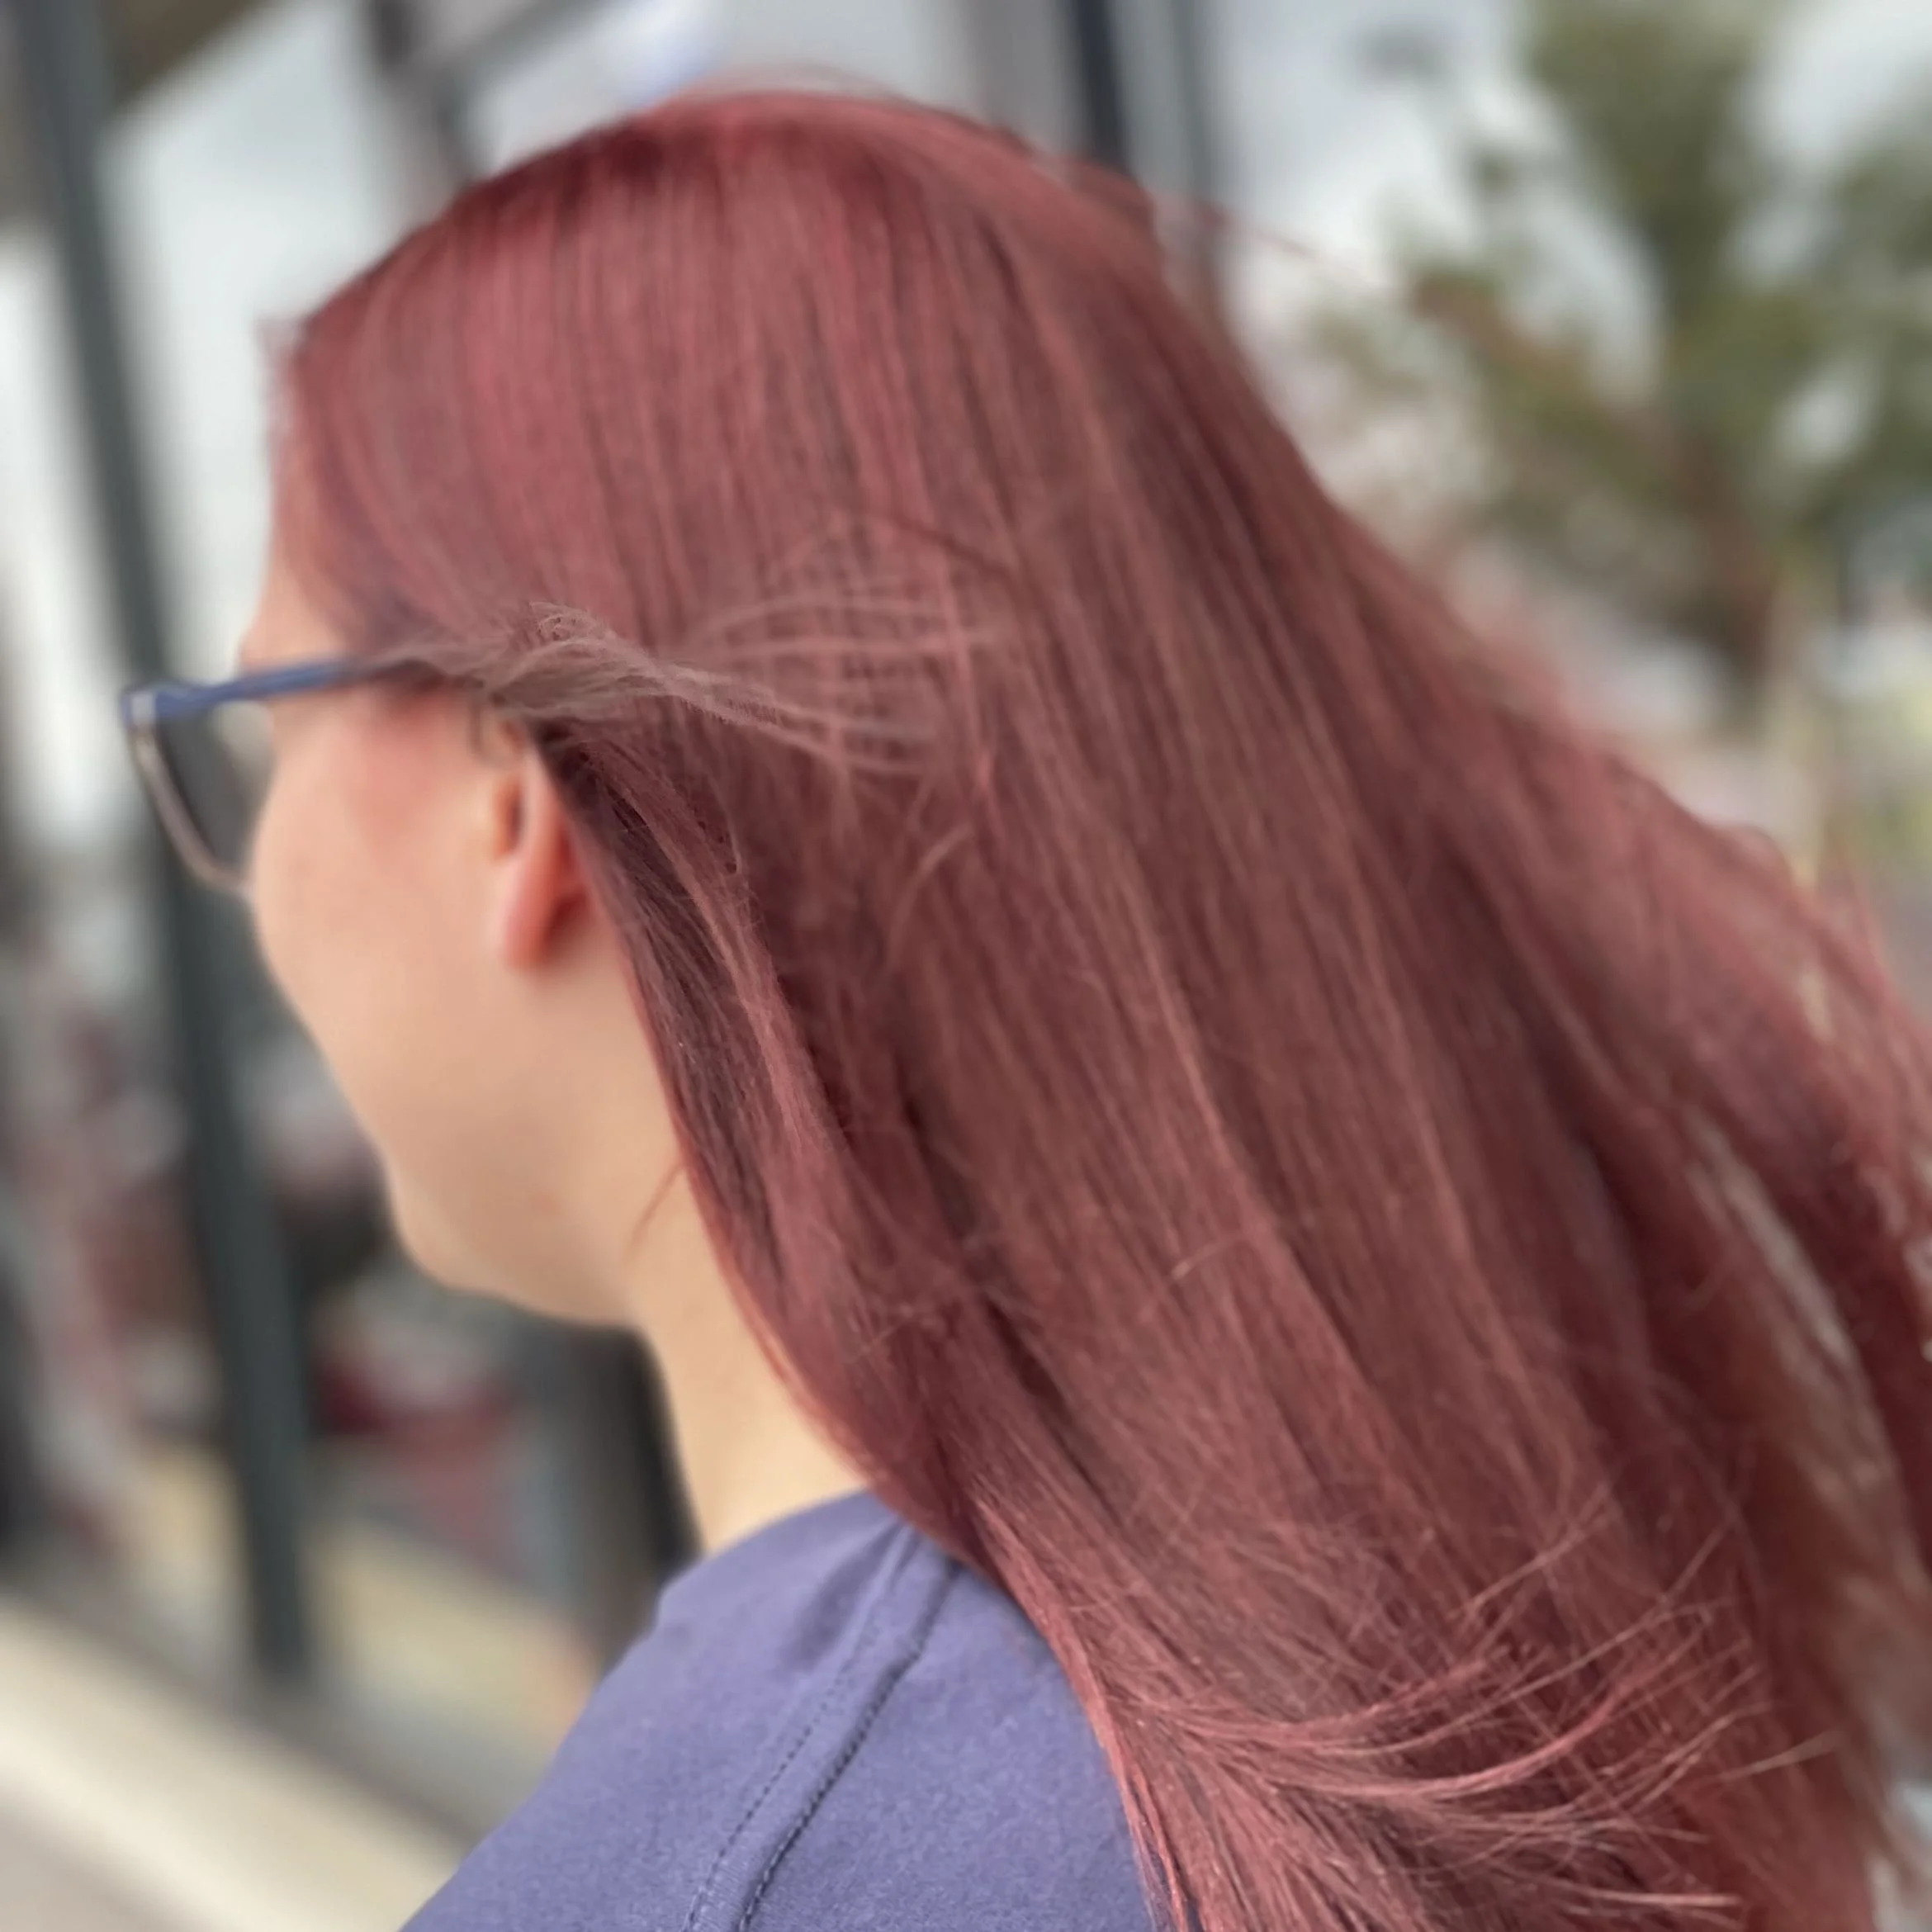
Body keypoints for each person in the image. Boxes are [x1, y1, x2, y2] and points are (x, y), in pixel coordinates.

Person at [118, 91, 1932, 1932]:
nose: (254, 872)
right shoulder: (1507, 1553)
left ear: (513, 789)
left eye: (255, 728)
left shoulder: (740, 1876)